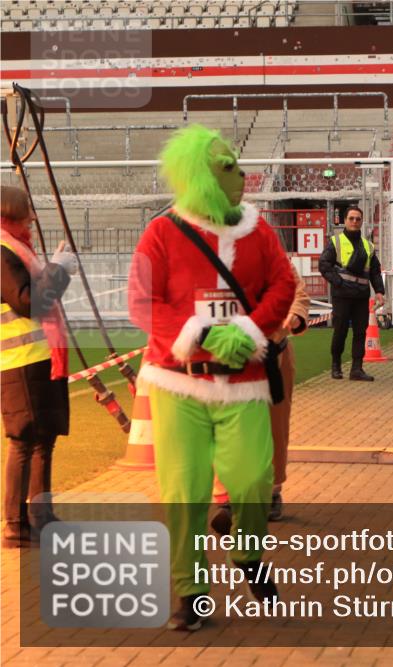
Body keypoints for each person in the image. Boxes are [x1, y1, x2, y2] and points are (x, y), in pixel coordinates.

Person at [129, 125, 295, 630]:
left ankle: (248, 554)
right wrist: (197, 338)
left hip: (243, 382)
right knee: (185, 491)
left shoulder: (259, 231)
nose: (241, 174)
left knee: (251, 479)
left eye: (238, 164)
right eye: (228, 166)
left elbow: (283, 284)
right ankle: (190, 592)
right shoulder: (161, 233)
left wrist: (247, 329)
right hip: (178, 383)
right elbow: (141, 303)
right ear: (200, 175)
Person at [1, 186, 78, 548]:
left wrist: (54, 269)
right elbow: (28, 301)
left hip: (37, 358)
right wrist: (58, 272)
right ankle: (16, 524)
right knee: (24, 441)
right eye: (26, 209)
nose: (31, 214)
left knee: (42, 439)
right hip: (20, 362)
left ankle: (40, 515)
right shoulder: (3, 251)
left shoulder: (17, 248)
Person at [211, 262, 311, 531]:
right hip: (233, 358)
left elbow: (297, 294)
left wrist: (297, 315)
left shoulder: (273, 257)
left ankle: (272, 492)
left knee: (273, 428)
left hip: (273, 358)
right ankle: (232, 497)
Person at [318, 206, 385, 381]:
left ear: (361, 221)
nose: (355, 222)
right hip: (342, 296)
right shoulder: (336, 242)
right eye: (351, 218)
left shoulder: (368, 246)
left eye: (358, 219)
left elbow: (375, 271)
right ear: (345, 220)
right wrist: (338, 282)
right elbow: (324, 265)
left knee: (360, 333)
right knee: (340, 331)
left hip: (361, 296)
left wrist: (379, 291)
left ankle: (357, 369)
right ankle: (336, 366)